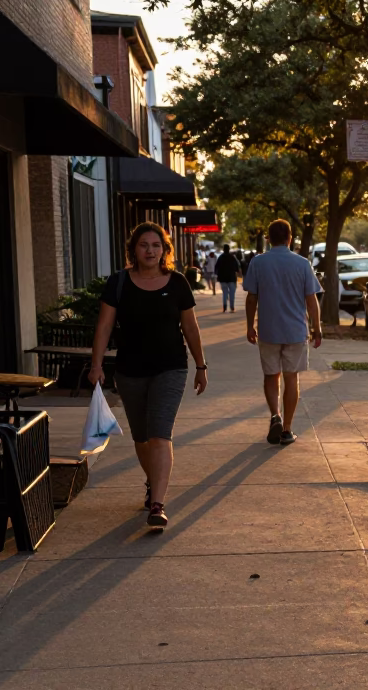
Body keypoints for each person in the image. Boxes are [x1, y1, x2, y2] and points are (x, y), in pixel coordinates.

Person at [89, 222, 209, 529]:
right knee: (141, 437)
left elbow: (190, 328)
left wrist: (201, 365)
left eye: (156, 245)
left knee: (159, 434)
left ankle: (157, 504)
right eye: (144, 245)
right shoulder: (119, 283)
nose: (150, 250)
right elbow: (104, 326)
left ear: (164, 250)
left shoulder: (177, 282)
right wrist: (96, 364)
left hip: (171, 367)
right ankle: (152, 481)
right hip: (130, 370)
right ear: (134, 250)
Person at [243, 219, 323, 446]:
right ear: (290, 238)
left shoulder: (258, 263)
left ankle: (274, 415)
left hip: (268, 330)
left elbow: (251, 298)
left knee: (271, 375)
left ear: (268, 238)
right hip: (296, 331)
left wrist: (250, 326)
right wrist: (317, 328)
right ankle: (287, 429)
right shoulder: (302, 264)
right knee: (291, 378)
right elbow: (311, 300)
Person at [215, 244, 241, 313]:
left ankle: (225, 307)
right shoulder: (232, 257)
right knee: (232, 293)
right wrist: (238, 272)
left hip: (223, 278)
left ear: (223, 249)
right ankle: (232, 307)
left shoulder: (220, 257)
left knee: (225, 293)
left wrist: (217, 275)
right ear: (229, 249)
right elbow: (237, 267)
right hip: (231, 278)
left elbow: (216, 267)